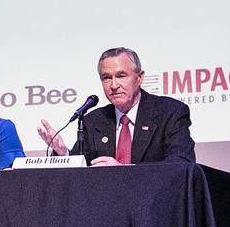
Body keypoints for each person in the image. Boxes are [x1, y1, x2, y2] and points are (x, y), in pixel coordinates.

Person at [37, 47, 195, 165]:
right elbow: (80, 170)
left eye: (121, 76)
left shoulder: (169, 112)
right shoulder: (93, 121)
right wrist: (63, 152)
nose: (113, 85)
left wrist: (123, 173)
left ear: (139, 78)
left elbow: (180, 165)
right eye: (106, 78)